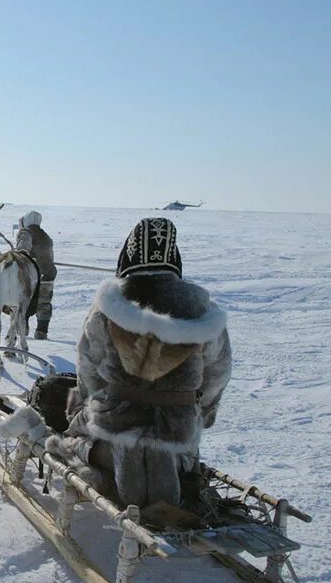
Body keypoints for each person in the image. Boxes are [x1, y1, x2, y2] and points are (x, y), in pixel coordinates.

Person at [58, 218, 231, 511]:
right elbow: (217, 375)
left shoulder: (108, 307)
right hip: (177, 443)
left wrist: (90, 408)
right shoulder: (204, 314)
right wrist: (195, 417)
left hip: (112, 434)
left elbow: (88, 368)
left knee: (70, 439)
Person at [15, 210, 57, 339]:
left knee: (25, 301)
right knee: (43, 303)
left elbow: (22, 250)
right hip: (48, 274)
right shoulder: (46, 236)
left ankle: (23, 329)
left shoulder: (25, 232)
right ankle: (41, 331)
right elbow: (50, 256)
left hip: (32, 274)